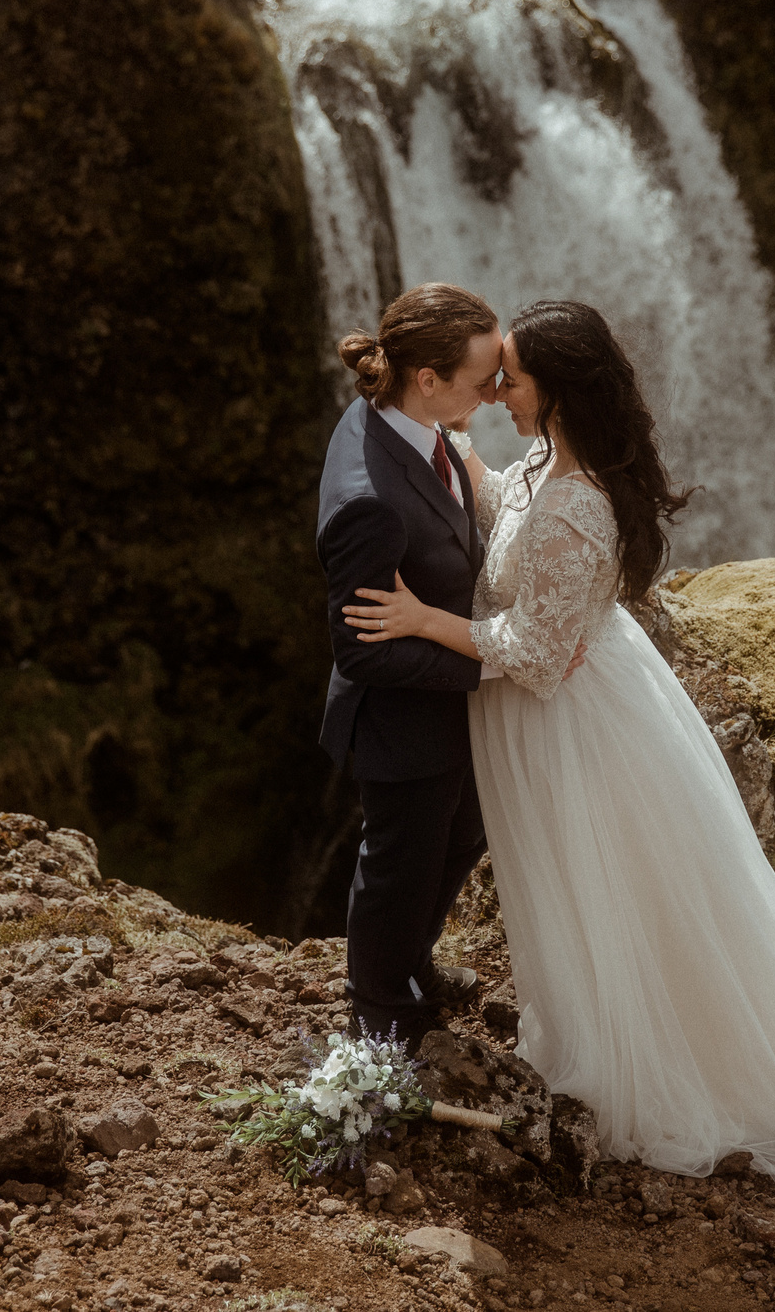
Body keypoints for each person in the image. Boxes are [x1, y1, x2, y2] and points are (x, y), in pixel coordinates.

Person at [345, 299, 775, 1204]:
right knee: (590, 886)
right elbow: (515, 505)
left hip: (571, 722)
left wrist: (429, 618)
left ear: (555, 392)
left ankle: (657, 1068)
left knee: (607, 884)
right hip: (577, 701)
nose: (495, 390)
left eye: (509, 377)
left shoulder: (582, 508)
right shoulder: (556, 458)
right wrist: (451, 456)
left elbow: (539, 653)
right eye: (489, 375)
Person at [316, 282, 505, 1047]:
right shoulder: (373, 500)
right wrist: (484, 661)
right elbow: (362, 648)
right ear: (427, 378)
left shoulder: (406, 421)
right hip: (404, 721)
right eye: (481, 378)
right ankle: (379, 999)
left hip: (446, 705)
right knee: (400, 859)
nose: (494, 393)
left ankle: (411, 962)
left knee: (462, 835)